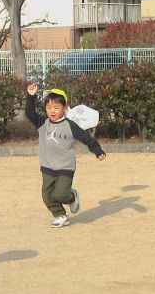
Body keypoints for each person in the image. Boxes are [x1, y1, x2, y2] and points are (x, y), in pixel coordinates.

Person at [25, 83, 107, 228]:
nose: (52, 111)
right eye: (49, 108)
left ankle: (72, 196)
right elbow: (29, 113)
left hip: (65, 167)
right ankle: (60, 215)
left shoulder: (70, 125)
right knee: (47, 196)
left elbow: (87, 138)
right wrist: (31, 96)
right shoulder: (43, 123)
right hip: (47, 167)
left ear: (64, 108)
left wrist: (98, 151)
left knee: (61, 195)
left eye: (56, 108)